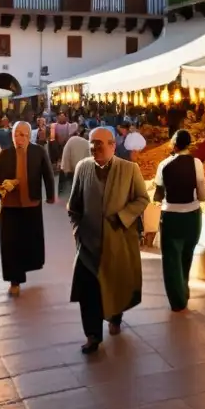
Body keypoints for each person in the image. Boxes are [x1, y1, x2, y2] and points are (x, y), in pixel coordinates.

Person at [67, 127, 148, 353]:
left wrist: (122, 217)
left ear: (113, 145)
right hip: (88, 245)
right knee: (88, 291)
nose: (96, 148)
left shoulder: (130, 169)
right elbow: (73, 206)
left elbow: (142, 198)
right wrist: (77, 230)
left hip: (117, 242)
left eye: (101, 144)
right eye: (92, 144)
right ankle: (93, 335)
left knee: (116, 284)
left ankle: (115, 316)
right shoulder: (83, 168)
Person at [0, 121, 55, 297]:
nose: (20, 138)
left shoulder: (38, 152)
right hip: (10, 206)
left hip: (31, 204)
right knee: (10, 244)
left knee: (29, 241)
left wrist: (50, 195)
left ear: (29, 136)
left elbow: (47, 174)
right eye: (17, 134)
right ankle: (14, 280)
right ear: (12, 135)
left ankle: (26, 267)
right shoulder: (5, 154)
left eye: (24, 134)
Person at [154, 130, 205, 312]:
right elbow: (203, 194)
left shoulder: (164, 165)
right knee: (187, 254)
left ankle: (177, 300)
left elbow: (158, 194)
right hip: (192, 216)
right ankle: (184, 288)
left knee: (171, 259)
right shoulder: (197, 163)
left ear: (174, 145)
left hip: (171, 217)